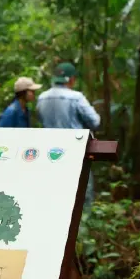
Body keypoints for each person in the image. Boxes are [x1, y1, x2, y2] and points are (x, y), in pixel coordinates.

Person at [36, 62, 100, 211]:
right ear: (71, 79)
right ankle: (84, 223)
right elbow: (95, 121)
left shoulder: (42, 98)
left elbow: (40, 118)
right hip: (74, 149)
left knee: (56, 190)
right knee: (83, 189)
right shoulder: (76, 98)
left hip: (51, 151)